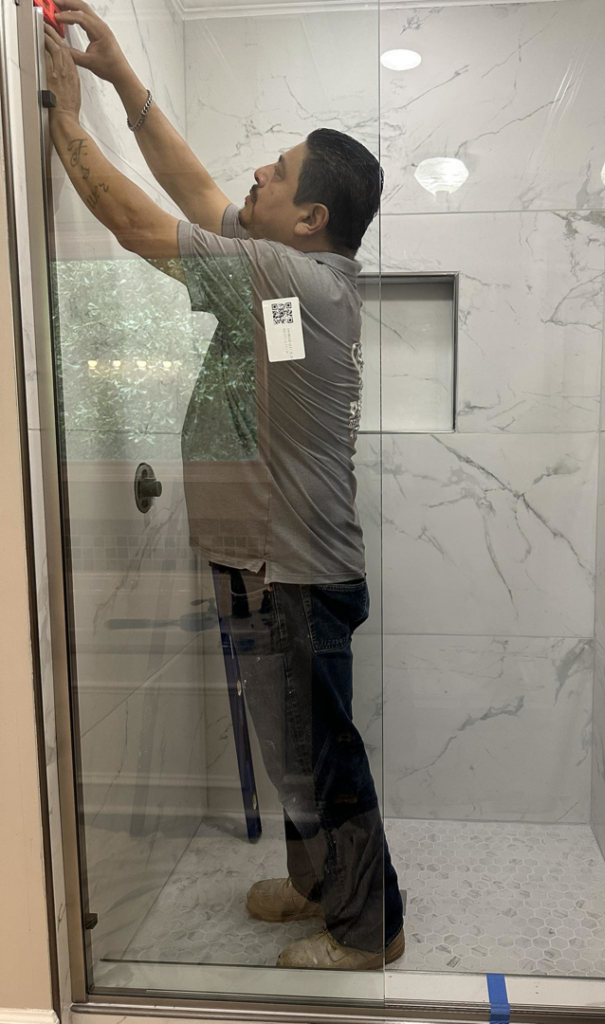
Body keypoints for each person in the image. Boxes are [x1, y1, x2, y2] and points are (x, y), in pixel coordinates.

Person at [43, 0, 404, 971]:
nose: (256, 172)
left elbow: (136, 222)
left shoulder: (294, 282)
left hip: (292, 573)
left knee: (324, 755)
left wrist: (65, 120)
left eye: (277, 172)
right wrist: (123, 78)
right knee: (294, 744)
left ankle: (371, 929)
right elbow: (200, 191)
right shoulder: (283, 266)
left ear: (310, 217)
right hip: (264, 564)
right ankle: (316, 885)